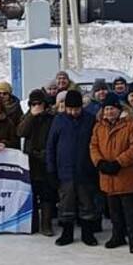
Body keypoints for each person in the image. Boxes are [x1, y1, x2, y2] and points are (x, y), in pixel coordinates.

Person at [46, 90, 99, 247]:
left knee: (87, 203)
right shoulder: (59, 120)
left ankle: (87, 233)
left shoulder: (90, 120)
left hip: (85, 170)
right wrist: (51, 169)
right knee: (66, 204)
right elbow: (50, 146)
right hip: (65, 171)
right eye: (70, 109)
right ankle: (67, 233)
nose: (73, 112)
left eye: (76, 109)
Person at [90, 97, 133, 252]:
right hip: (107, 175)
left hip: (125, 174)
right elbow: (93, 145)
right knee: (114, 211)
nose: (109, 112)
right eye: (106, 109)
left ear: (119, 110)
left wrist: (119, 162)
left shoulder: (131, 125)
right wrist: (99, 162)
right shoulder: (99, 126)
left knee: (130, 212)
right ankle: (117, 236)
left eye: (112, 108)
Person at [18, 91, 56, 235]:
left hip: (46, 160)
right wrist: (32, 116)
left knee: (47, 194)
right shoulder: (27, 117)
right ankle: (32, 224)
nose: (37, 106)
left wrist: (47, 154)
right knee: (32, 194)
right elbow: (21, 132)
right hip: (30, 161)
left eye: (39, 103)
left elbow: (53, 138)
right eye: (34, 104)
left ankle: (46, 224)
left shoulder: (51, 118)